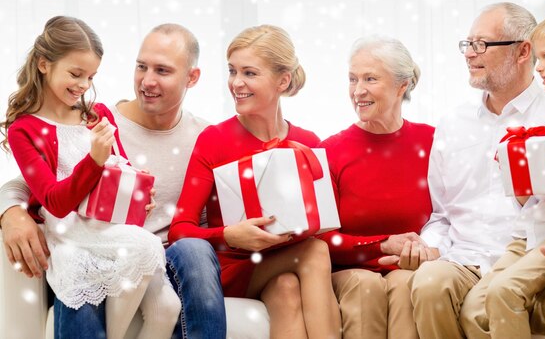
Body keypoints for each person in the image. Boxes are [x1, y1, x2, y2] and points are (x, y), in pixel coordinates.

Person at [406, 2, 545, 339]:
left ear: (523, 51)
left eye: (480, 44)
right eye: (467, 44)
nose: (469, 54)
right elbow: (443, 214)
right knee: (434, 286)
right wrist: (429, 247)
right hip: (473, 256)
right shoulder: (453, 124)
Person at [0, 23, 227, 339]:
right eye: (141, 67)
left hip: (157, 251)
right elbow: (32, 186)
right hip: (85, 237)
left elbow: (125, 173)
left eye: (162, 70)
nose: (147, 81)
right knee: (84, 269)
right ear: (44, 65)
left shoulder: (206, 137)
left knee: (185, 267)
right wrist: (9, 214)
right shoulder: (103, 118)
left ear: (192, 77)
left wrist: (138, 195)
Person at [168, 24, 342, 339]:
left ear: (283, 80)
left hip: (280, 266)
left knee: (287, 288)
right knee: (314, 252)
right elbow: (180, 230)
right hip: (231, 266)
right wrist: (230, 236)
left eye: (249, 73)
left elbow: (326, 227)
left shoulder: (308, 143)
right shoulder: (215, 139)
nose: (236, 83)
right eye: (232, 71)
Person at [317, 35, 434, 339]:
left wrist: (429, 252)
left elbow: (454, 216)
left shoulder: (433, 142)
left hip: (409, 270)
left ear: (401, 86)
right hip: (352, 273)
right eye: (353, 79)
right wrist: (382, 244)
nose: (358, 91)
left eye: (370, 79)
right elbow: (322, 240)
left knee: (406, 283)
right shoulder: (330, 151)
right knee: (364, 286)